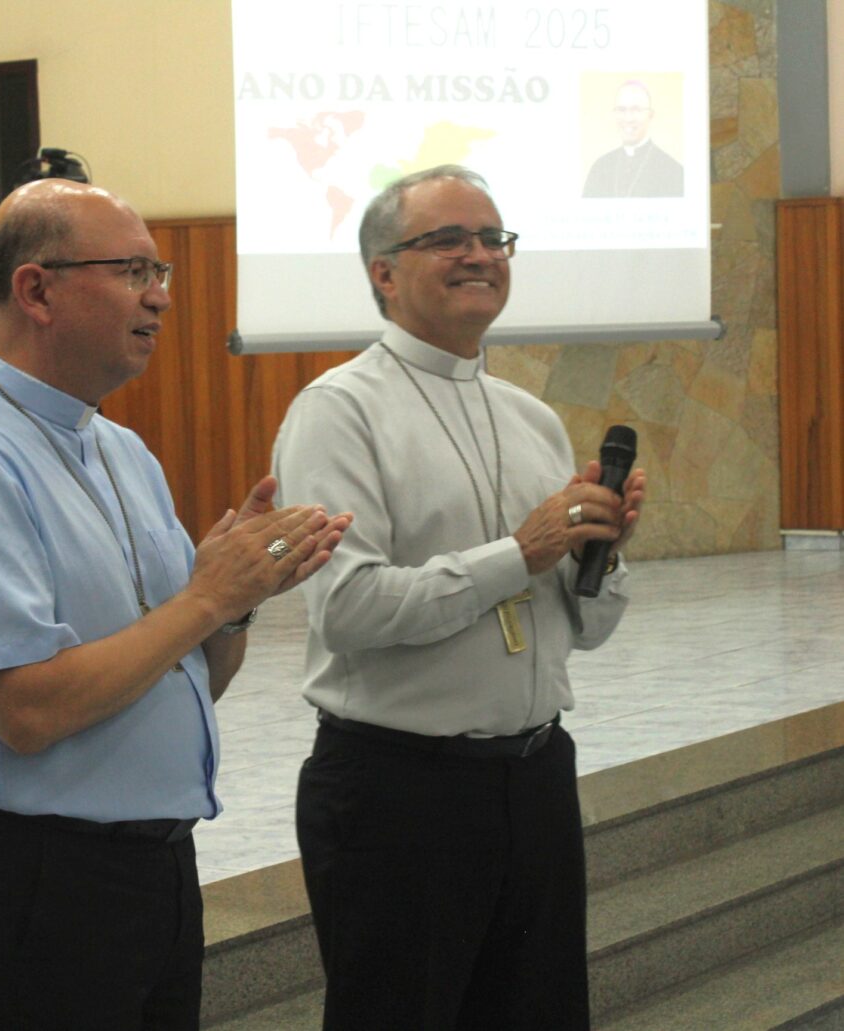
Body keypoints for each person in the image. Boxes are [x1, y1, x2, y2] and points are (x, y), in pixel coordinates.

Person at [0, 178, 350, 1030]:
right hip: (41, 883)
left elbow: (190, 679)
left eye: (159, 271)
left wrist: (237, 601)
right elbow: (28, 711)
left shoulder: (122, 450)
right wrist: (205, 596)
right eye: (133, 270)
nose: (160, 296)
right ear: (37, 290)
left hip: (154, 867)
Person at [271, 164, 645, 1030]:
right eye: (448, 239)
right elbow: (347, 610)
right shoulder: (338, 410)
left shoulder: (529, 417)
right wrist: (521, 553)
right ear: (383, 272)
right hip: (402, 792)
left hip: (535, 778)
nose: (480, 254)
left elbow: (584, 630)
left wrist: (600, 557)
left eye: (492, 237)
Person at [582, 80, 684, 198]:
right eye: (621, 110)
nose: (628, 119)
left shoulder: (673, 171)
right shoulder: (600, 167)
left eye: (636, 110)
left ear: (650, 115)